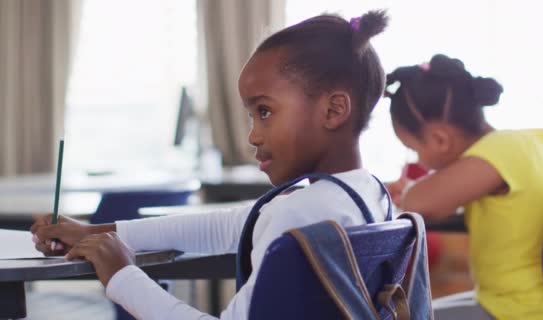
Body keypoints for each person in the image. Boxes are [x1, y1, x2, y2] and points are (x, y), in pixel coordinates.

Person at [31, 11, 393, 320]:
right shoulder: (368, 196)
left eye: (264, 112)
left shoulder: (299, 214)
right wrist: (96, 232)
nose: (252, 136)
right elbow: (232, 225)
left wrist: (122, 276)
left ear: (333, 110)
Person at [384, 54, 543, 319]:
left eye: (414, 150)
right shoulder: (530, 143)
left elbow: (418, 204)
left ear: (440, 139)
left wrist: (406, 192)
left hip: (519, 311)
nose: (418, 160)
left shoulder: (498, 151)